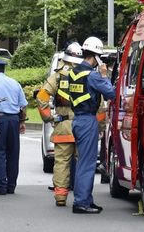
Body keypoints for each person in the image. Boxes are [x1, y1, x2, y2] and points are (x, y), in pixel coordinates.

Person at [68, 37, 115, 214]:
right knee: (87, 164)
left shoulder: (74, 72)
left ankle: (86, 199)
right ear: (96, 57)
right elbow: (110, 93)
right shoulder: (93, 75)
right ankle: (81, 202)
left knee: (83, 162)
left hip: (78, 119)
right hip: (87, 121)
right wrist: (104, 75)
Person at [36, 42, 83, 206]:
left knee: (62, 162)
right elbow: (99, 104)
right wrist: (98, 126)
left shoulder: (58, 76)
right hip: (83, 125)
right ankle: (82, 196)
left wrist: (49, 118)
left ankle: (61, 197)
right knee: (83, 161)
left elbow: (41, 97)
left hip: (63, 126)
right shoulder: (88, 74)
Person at [0, 56, 28, 195]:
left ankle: (1, 186)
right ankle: (11, 186)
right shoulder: (14, 83)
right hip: (14, 120)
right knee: (13, 153)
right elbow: (24, 105)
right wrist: (22, 121)